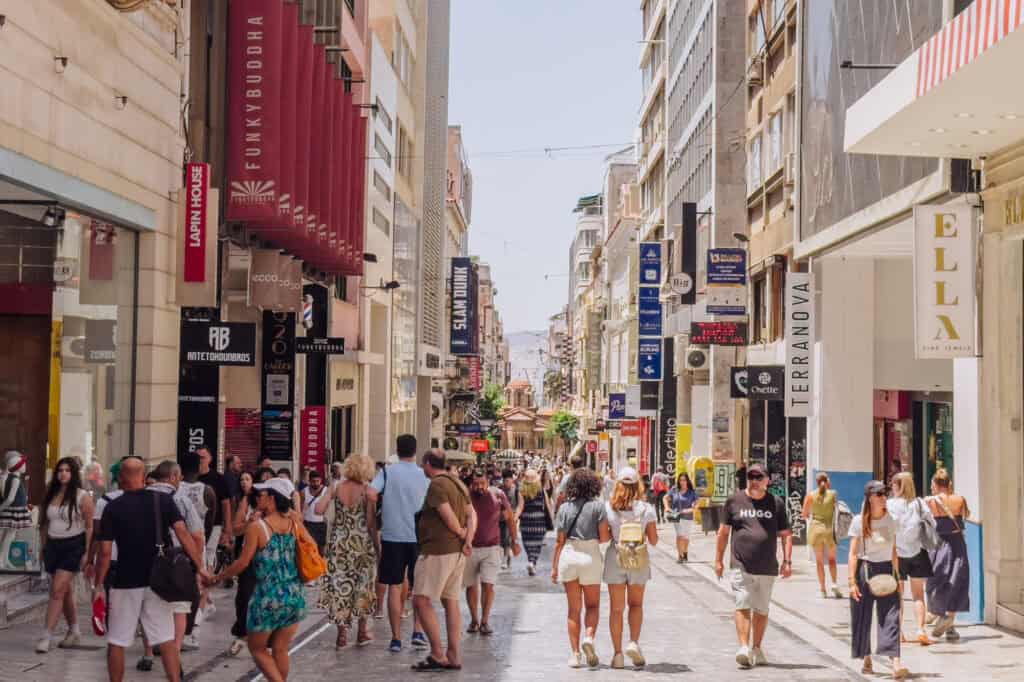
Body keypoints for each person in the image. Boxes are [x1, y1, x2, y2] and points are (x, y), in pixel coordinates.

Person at [92, 456, 207, 682]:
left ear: (121, 478)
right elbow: (183, 533)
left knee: (117, 641)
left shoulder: (113, 508)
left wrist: (98, 585)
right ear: (144, 477)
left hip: (125, 581)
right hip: (157, 581)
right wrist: (200, 567)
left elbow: (104, 553)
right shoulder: (162, 501)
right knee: (166, 638)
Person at [210, 477, 311, 682]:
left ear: (273, 498)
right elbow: (312, 547)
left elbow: (242, 563)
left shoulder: (258, 527)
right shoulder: (294, 524)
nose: (257, 497)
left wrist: (217, 577)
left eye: (262, 494)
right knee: (280, 649)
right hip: (294, 595)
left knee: (257, 648)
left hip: (268, 597)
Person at [715, 462, 793, 670]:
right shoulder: (734, 501)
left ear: (768, 480)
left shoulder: (776, 503)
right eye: (751, 477)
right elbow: (723, 533)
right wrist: (718, 560)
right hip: (740, 563)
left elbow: (786, 535)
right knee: (742, 602)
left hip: (767, 566)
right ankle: (743, 647)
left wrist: (787, 561)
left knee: (761, 609)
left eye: (759, 477)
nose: (754, 481)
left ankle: (757, 647)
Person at [410, 449, 476, 672]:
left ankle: (438, 653)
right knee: (451, 601)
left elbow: (448, 516)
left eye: (423, 463)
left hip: (438, 550)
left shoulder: (437, 485)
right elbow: (472, 514)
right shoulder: (457, 483)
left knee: (420, 600)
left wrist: (461, 533)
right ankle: (453, 654)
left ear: (428, 463)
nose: (422, 467)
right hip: (456, 551)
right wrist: (468, 539)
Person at [138, 461, 206, 670]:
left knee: (148, 609)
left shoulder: (139, 498)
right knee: (179, 609)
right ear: (174, 477)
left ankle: (148, 653)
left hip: (145, 561)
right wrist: (199, 565)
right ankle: (175, 655)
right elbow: (196, 535)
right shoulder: (181, 500)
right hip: (177, 562)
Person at [370, 434, 430, 653]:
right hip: (419, 538)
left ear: (397, 449)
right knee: (420, 587)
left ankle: (396, 638)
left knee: (394, 587)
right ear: (415, 451)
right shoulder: (424, 474)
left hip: (392, 536)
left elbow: (370, 493)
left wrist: (381, 511)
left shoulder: (387, 472)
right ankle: (417, 631)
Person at [316, 454, 380, 648]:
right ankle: (362, 632)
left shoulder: (336, 487)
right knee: (363, 587)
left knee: (340, 587)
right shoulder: (367, 491)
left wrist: (329, 497)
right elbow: (371, 523)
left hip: (339, 546)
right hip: (361, 545)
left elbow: (318, 510)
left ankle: (342, 634)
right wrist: (378, 548)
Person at [551, 467, 609, 669]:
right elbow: (604, 538)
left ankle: (575, 655)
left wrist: (554, 568)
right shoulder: (598, 507)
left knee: (573, 610)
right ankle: (589, 638)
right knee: (592, 606)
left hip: (569, 556)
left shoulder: (564, 508)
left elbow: (559, 541)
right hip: (590, 556)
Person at [848, 480, 907, 679]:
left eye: (885, 494)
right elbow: (853, 553)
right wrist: (851, 582)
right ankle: (866, 657)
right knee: (862, 616)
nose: (884, 498)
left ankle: (895, 664)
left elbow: (894, 550)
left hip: (887, 571)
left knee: (891, 617)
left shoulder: (892, 520)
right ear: (870, 498)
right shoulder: (859, 521)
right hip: (864, 570)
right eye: (880, 494)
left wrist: (898, 577)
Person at [36, 456, 95, 653]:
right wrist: (42, 548)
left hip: (73, 545)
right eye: (60, 470)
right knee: (65, 590)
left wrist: (87, 552)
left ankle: (46, 636)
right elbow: (44, 524)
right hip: (53, 546)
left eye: (67, 470)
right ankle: (74, 630)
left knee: (56, 590)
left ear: (73, 474)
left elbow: (89, 526)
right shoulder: (50, 493)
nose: (63, 474)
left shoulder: (82, 496)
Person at [604, 467, 657, 669]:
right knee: (636, 605)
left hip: (616, 556)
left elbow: (603, 537)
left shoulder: (609, 508)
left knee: (616, 609)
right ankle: (633, 642)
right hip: (638, 557)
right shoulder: (646, 509)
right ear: (638, 486)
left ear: (618, 485)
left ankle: (617, 655)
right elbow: (654, 540)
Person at [464, 469, 516, 635]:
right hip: (470, 547)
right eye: (476, 484)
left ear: (488, 482)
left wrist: (514, 541)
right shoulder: (465, 496)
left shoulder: (498, 495)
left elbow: (510, 518)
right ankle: (474, 620)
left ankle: (485, 621)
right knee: (471, 586)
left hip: (492, 547)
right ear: (471, 483)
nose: (479, 487)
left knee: (488, 585)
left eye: (482, 484)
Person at [887, 472, 935, 644]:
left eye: (893, 483)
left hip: (896, 554)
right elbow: (932, 523)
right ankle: (920, 629)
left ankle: (898, 632)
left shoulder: (890, 504)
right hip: (917, 552)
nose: (891, 486)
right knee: (918, 595)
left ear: (899, 486)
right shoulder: (919, 503)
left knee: (897, 595)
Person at [926, 469, 970, 641]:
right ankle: (950, 624)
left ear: (936, 485)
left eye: (932, 485)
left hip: (939, 544)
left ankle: (938, 613)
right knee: (956, 582)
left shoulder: (930, 501)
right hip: (957, 544)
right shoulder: (960, 499)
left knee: (935, 581)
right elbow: (966, 515)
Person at [228, 470, 258, 656]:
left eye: (248, 479)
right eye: (242, 479)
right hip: (249, 553)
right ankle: (242, 633)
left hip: (270, 558)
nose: (244, 482)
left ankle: (265, 639)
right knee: (244, 596)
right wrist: (249, 522)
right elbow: (236, 529)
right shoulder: (246, 501)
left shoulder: (277, 506)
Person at [802, 472, 844, 599]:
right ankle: (834, 584)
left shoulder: (810, 496)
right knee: (832, 560)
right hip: (829, 530)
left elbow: (804, 514)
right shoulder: (833, 494)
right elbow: (837, 510)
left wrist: (813, 516)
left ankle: (822, 590)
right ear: (827, 481)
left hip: (816, 530)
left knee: (819, 561)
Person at [196, 446, 233, 557]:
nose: (200, 460)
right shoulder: (189, 478)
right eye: (197, 457)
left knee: (209, 556)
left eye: (203, 457)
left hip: (214, 524)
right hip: (193, 525)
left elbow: (226, 504)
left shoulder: (218, 478)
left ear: (210, 459)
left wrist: (227, 529)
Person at [518, 469, 549, 576]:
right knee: (537, 544)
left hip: (526, 521)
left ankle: (531, 561)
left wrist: (514, 518)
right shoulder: (541, 490)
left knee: (527, 543)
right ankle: (532, 562)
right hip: (539, 520)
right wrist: (551, 518)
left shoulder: (522, 491)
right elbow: (547, 505)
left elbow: (520, 507)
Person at [665, 472, 697, 563]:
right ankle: (680, 555)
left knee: (686, 537)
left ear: (687, 481)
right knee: (680, 535)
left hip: (688, 517)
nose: (682, 482)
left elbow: (695, 505)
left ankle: (685, 552)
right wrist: (667, 507)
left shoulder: (691, 492)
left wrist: (689, 509)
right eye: (680, 480)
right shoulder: (674, 490)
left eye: (684, 480)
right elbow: (665, 498)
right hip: (677, 516)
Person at [498, 468, 523, 569]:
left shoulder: (516, 490)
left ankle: (505, 558)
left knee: (507, 538)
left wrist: (516, 516)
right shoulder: (500, 490)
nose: (505, 483)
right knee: (503, 539)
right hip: (501, 518)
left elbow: (520, 505)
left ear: (512, 480)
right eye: (504, 481)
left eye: (507, 481)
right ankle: (507, 556)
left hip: (512, 518)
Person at [302, 470, 329, 556]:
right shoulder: (303, 492)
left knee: (321, 549)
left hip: (321, 524)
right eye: (313, 481)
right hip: (307, 524)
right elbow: (300, 508)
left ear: (321, 480)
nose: (316, 483)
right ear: (309, 481)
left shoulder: (326, 491)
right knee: (309, 549)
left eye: (318, 481)